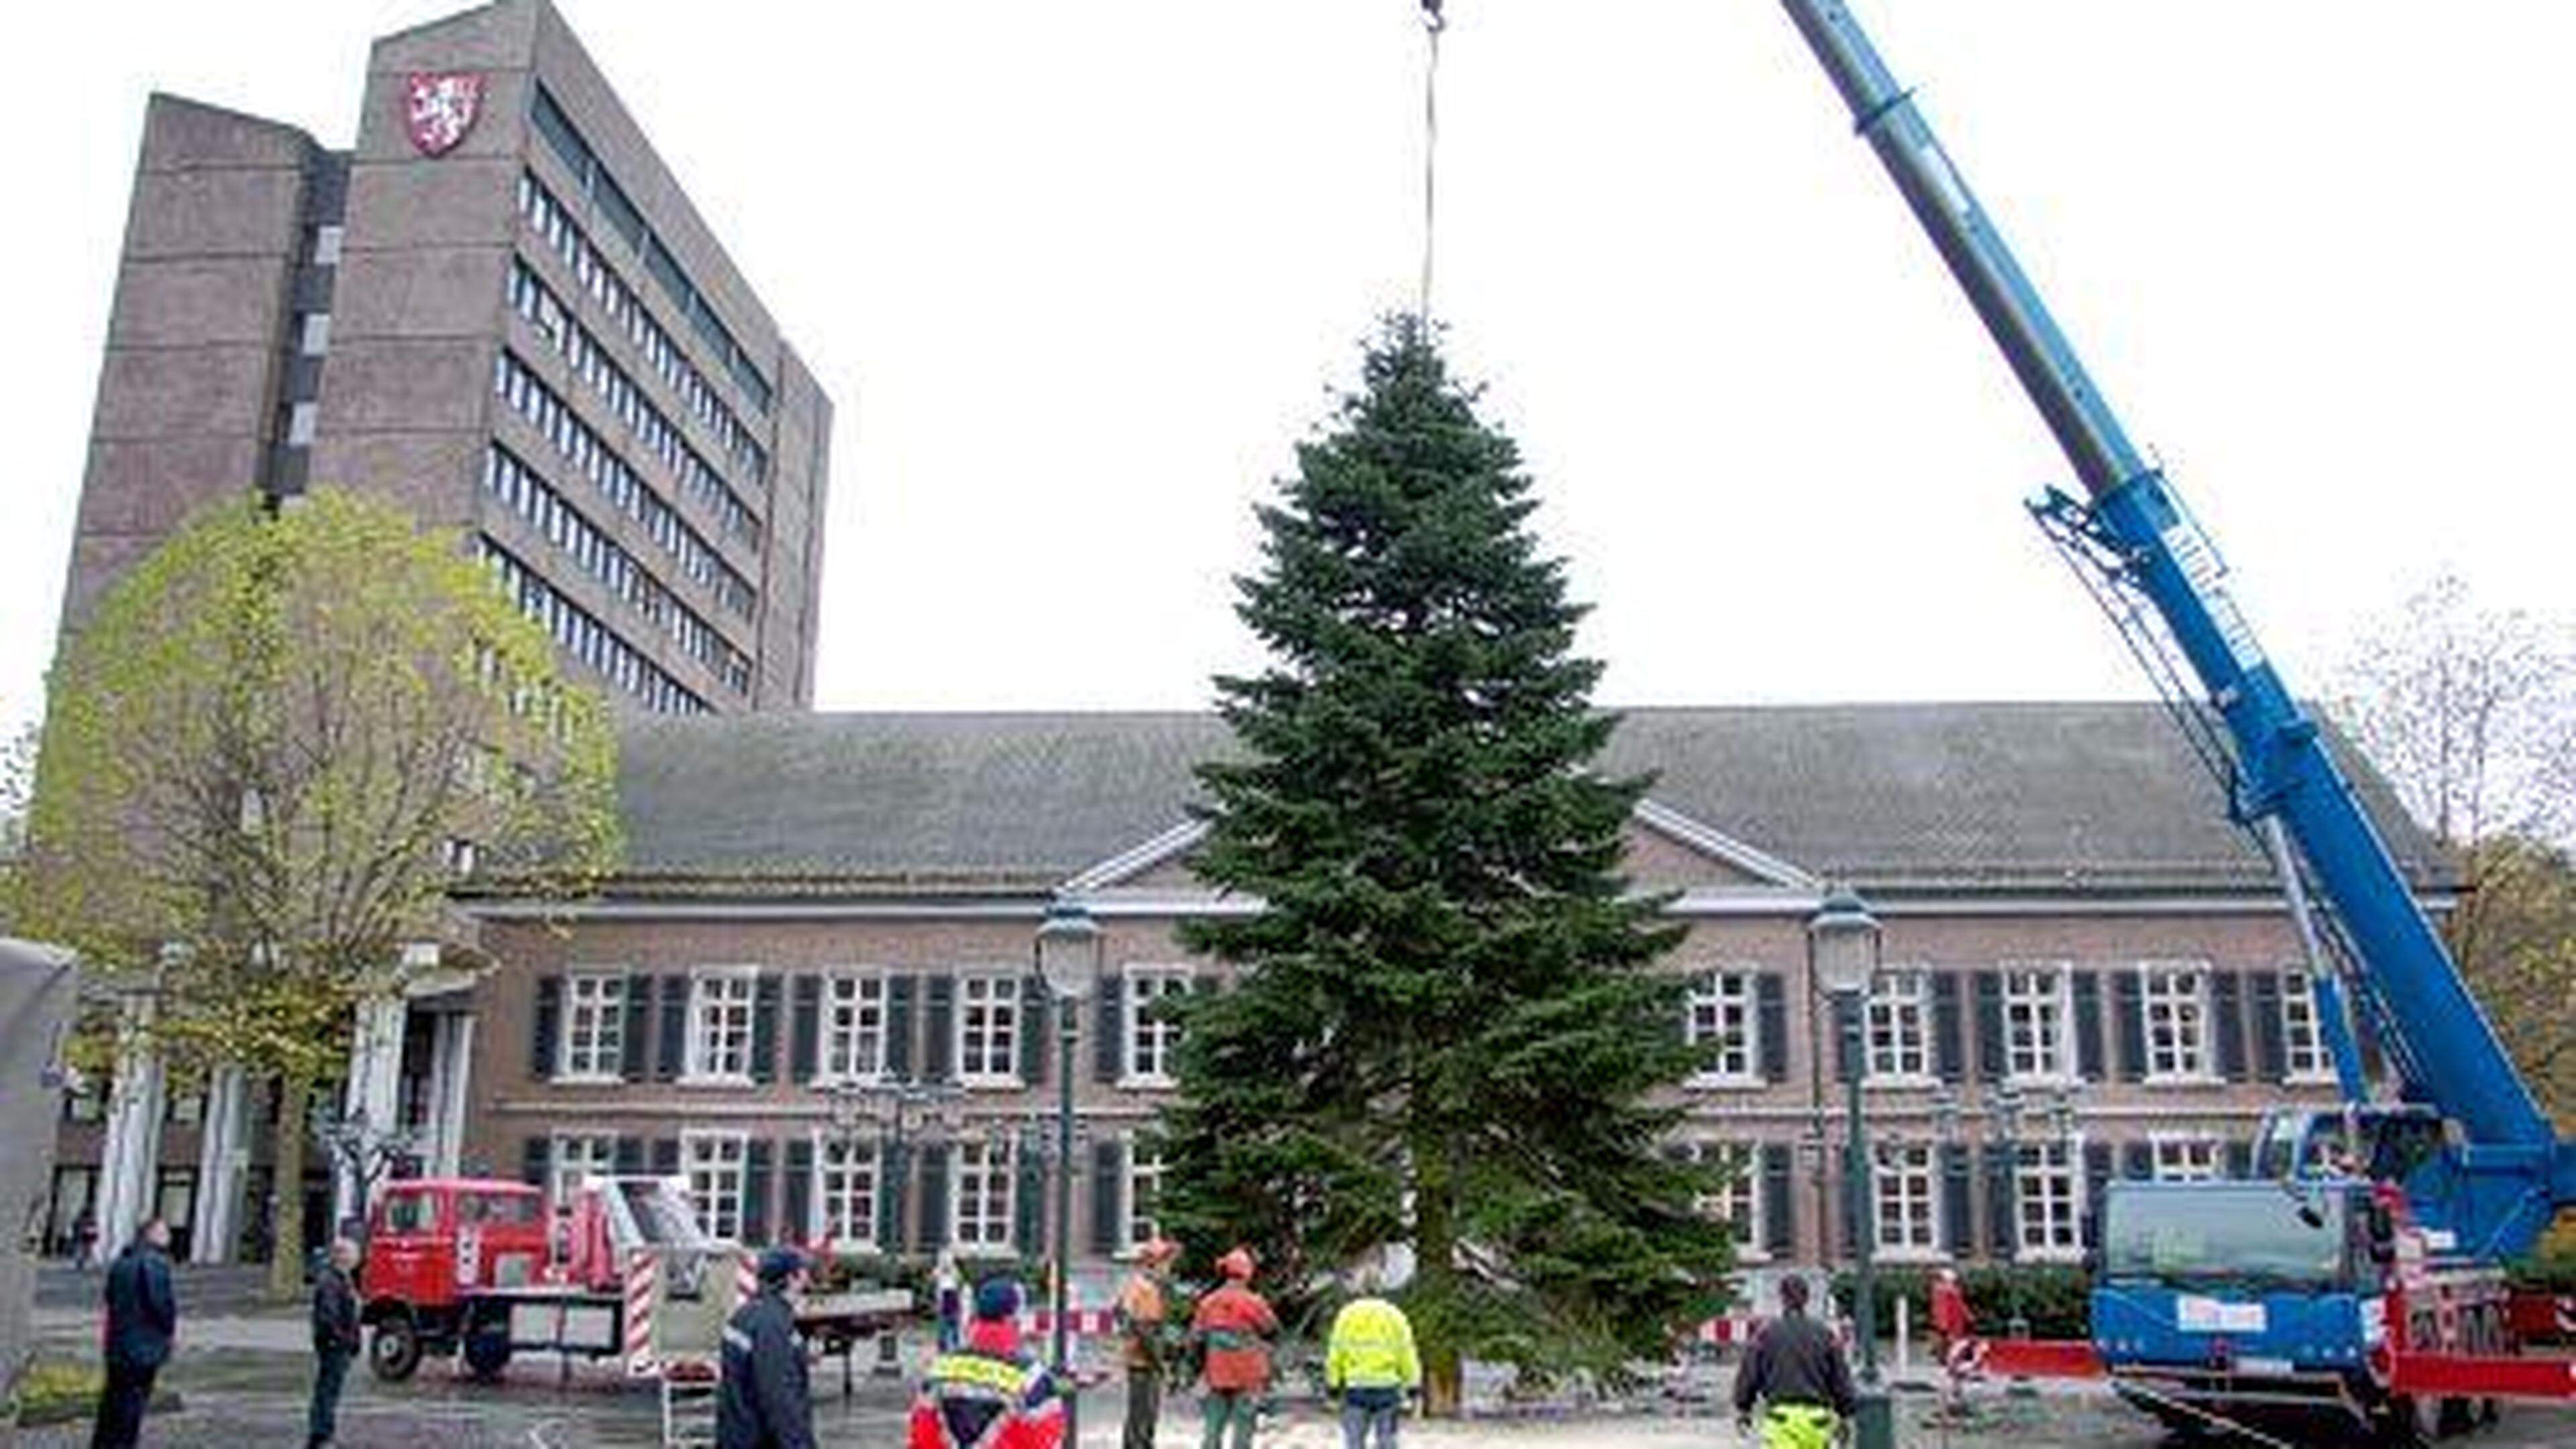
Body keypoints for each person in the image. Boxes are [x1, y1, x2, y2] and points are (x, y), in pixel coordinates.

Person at [909, 1277, 1065, 1449]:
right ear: (1012, 1318)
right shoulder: (1031, 1377)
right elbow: (1044, 1439)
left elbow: (922, 1434)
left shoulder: (940, 1369)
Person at [1732, 1275, 1856, 1449]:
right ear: (1806, 1298)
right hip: (1817, 1420)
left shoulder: (1765, 1334)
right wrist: (1845, 1413)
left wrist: (1743, 1407)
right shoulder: (1825, 1334)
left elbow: (1749, 1375)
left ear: (1782, 1298)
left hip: (1780, 1418)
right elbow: (1840, 1377)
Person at [718, 1246, 816, 1449]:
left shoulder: (746, 1315)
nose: (808, 1277)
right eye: (804, 1271)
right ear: (792, 1278)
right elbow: (779, 1398)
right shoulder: (773, 1325)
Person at [91, 1216, 176, 1449]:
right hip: (143, 1344)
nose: (168, 1235)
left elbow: (110, 1298)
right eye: (163, 1231)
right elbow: (161, 1305)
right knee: (132, 1403)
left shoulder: (122, 1261)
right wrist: (167, 1333)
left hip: (118, 1342)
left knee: (112, 1401)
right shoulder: (155, 1264)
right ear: (151, 1234)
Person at [1190, 1246, 1279, 1449]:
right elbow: (1272, 1328)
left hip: (1216, 1375)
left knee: (1213, 1429)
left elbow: (1195, 1337)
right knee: (1244, 1430)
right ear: (1248, 1272)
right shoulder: (1254, 1302)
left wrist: (1200, 1367)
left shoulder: (1208, 1302)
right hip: (1248, 1376)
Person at [1324, 1267, 1421, 1449]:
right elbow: (1407, 1353)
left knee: (1354, 1441)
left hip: (1356, 1388)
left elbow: (1336, 1353)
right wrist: (1413, 1386)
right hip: (1387, 1388)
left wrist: (1333, 1386)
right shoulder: (1395, 1316)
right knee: (1387, 1440)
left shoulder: (1347, 1316)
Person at [1115, 1238, 1181, 1449]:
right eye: (1167, 1262)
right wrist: (1160, 1363)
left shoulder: (1136, 1283)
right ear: (1156, 1263)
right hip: (1144, 1360)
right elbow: (1146, 1331)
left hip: (1137, 1357)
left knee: (1137, 1415)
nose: (1170, 1267)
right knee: (1145, 1416)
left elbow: (1118, 1312)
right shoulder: (1147, 1289)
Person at [307, 1237, 364, 1448]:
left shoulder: (343, 1279)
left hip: (340, 1344)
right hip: (334, 1345)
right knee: (327, 1391)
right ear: (342, 1257)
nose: (357, 1257)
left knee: (331, 1390)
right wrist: (342, 1339)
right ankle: (320, 1435)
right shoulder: (331, 1281)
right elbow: (328, 1316)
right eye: (354, 1253)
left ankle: (324, 1432)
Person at [1929, 1265, 1976, 1414]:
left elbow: (1962, 1314)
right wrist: (1947, 1332)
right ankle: (1952, 1399)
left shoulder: (1945, 1294)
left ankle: (1953, 1397)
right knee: (1952, 1367)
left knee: (1952, 1367)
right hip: (1953, 1335)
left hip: (1953, 1334)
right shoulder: (1946, 1294)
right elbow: (1956, 1315)